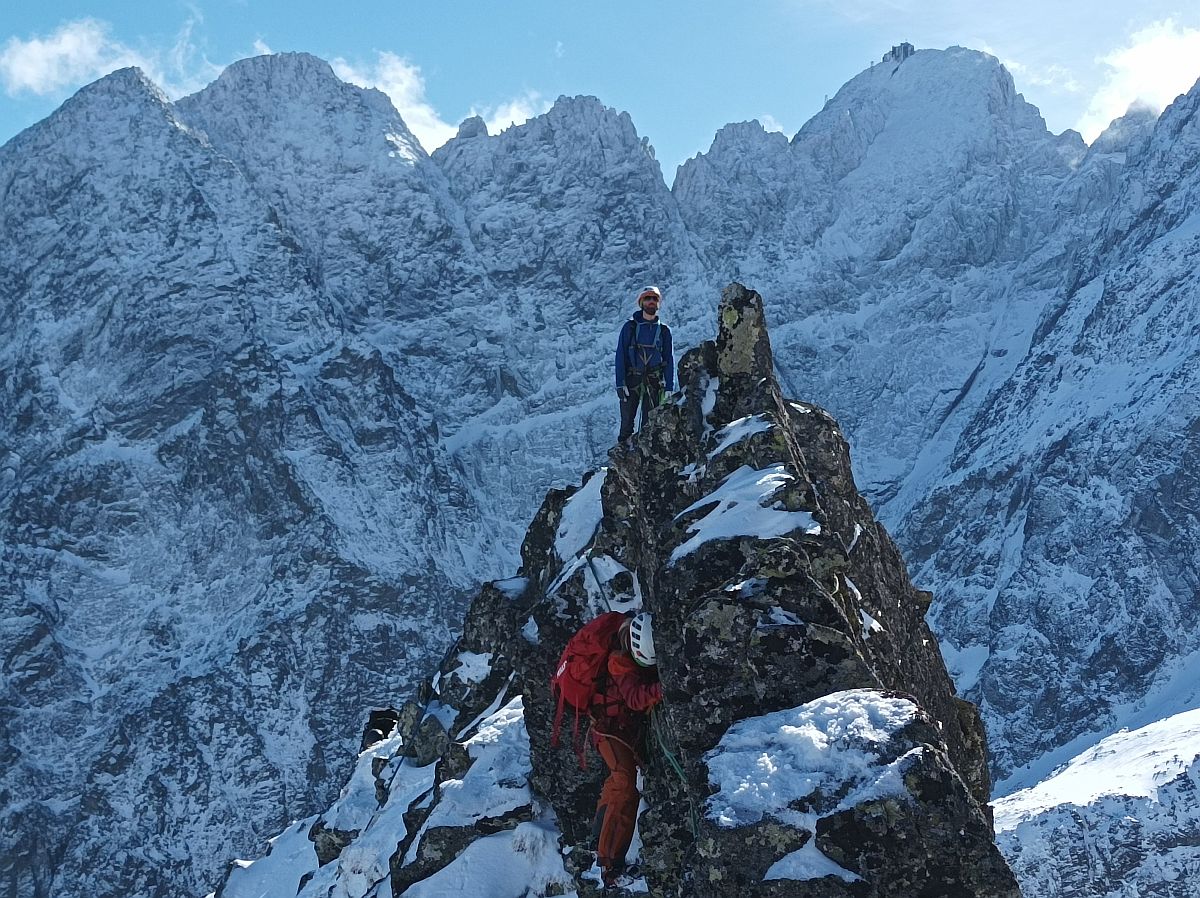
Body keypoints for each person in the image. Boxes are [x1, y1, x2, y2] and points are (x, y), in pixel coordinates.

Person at [591, 612, 662, 889]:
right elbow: (634, 699)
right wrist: (663, 687)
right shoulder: (619, 661)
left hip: (611, 727)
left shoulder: (625, 644)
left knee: (617, 783)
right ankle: (610, 864)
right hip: (610, 731)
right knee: (624, 786)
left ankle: (599, 841)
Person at [615, 286, 675, 447]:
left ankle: (644, 458)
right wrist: (620, 383)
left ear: (658, 303)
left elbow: (668, 358)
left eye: (654, 299)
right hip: (632, 379)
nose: (651, 302)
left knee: (650, 424)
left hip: (654, 381)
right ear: (641, 302)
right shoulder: (630, 327)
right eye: (647, 298)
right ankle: (623, 456)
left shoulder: (664, 331)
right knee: (627, 422)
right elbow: (620, 355)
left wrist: (670, 385)